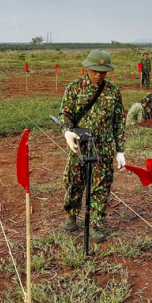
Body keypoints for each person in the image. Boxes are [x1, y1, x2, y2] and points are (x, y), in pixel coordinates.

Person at [59, 49, 126, 243]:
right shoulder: (74, 88)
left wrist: (120, 150)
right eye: (95, 70)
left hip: (103, 148)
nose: (98, 74)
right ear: (86, 68)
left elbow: (119, 122)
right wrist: (66, 131)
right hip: (79, 145)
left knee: (101, 186)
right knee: (74, 182)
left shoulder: (113, 92)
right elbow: (65, 114)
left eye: (103, 71)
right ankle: (71, 215)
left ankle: (95, 224)